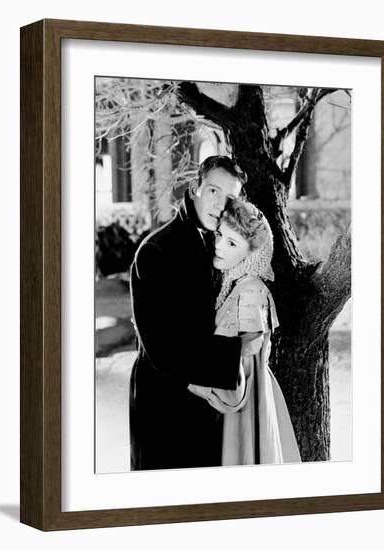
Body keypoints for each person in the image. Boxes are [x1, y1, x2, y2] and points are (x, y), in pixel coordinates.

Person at [129, 155, 247, 471]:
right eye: (213, 191)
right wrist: (239, 351)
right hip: (163, 406)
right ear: (195, 187)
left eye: (229, 198)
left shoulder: (222, 248)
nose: (220, 204)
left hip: (208, 404)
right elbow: (163, 348)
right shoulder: (155, 251)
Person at [188, 197, 301, 465]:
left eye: (231, 243)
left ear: (252, 253)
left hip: (243, 406)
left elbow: (246, 361)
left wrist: (192, 383)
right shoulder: (235, 284)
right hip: (241, 395)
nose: (218, 246)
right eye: (219, 236)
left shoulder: (250, 290)